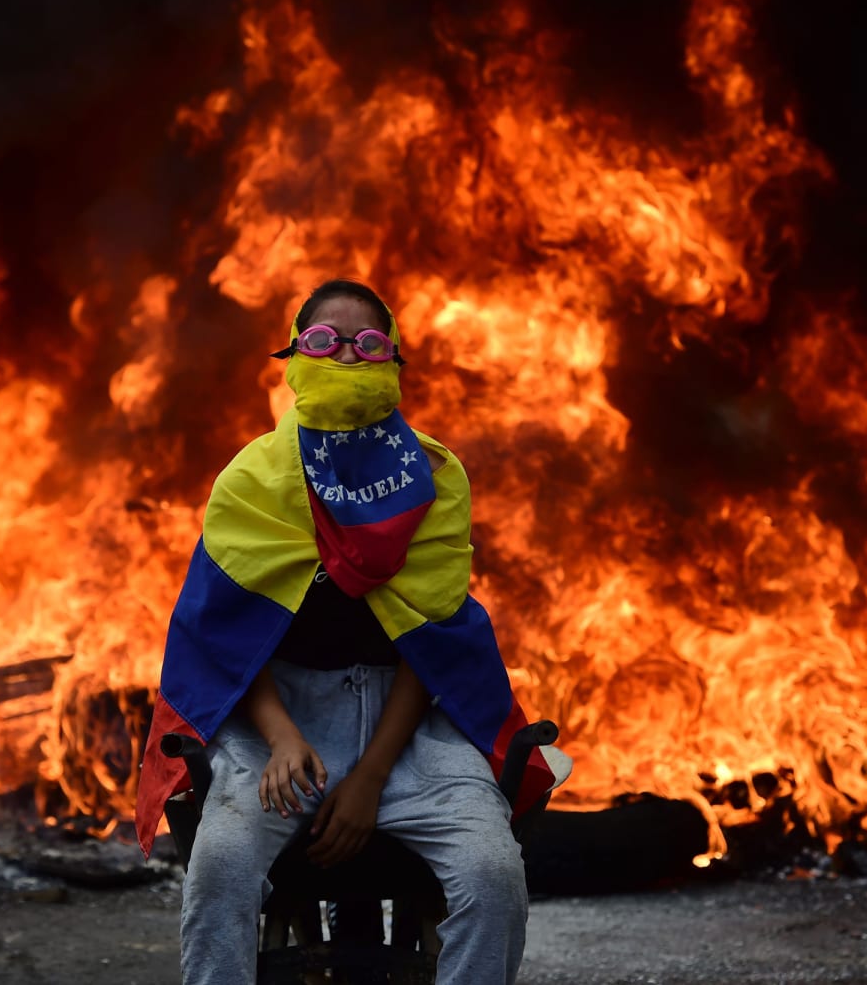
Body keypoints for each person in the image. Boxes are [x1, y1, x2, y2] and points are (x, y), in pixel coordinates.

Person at [135, 278, 556, 985]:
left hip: (411, 723)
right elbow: (226, 637)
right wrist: (281, 738)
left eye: (369, 345)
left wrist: (369, 777)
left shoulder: (433, 476)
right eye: (325, 342)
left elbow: (432, 640)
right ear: (294, 357)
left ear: (393, 362)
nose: (348, 360)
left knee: (493, 875)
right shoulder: (251, 480)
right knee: (220, 866)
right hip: (281, 718)